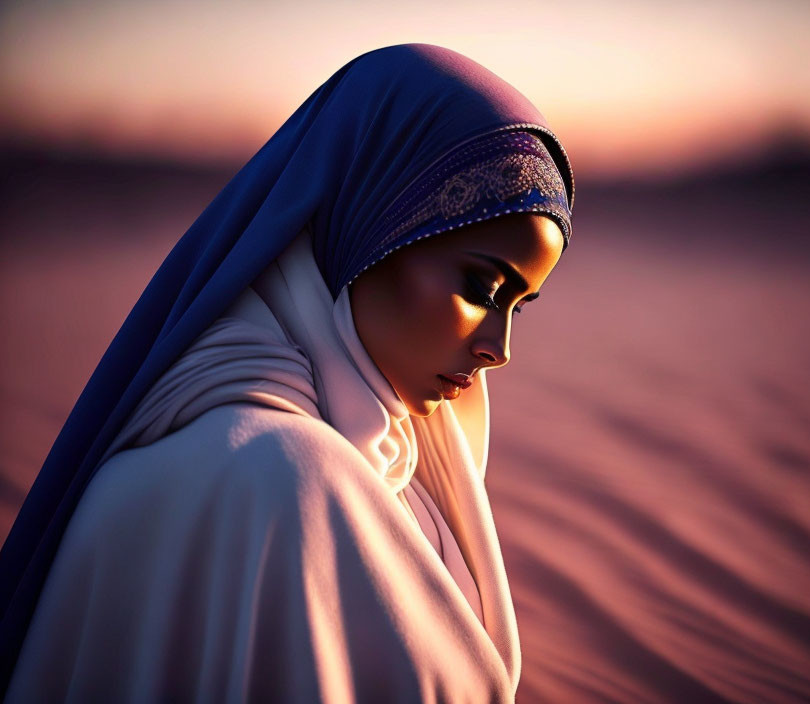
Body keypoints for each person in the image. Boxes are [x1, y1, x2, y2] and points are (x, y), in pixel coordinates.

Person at [0, 44, 574, 702]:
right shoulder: (277, 478)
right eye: (480, 284)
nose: (498, 349)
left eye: (517, 306)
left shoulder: (414, 461)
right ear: (371, 229)